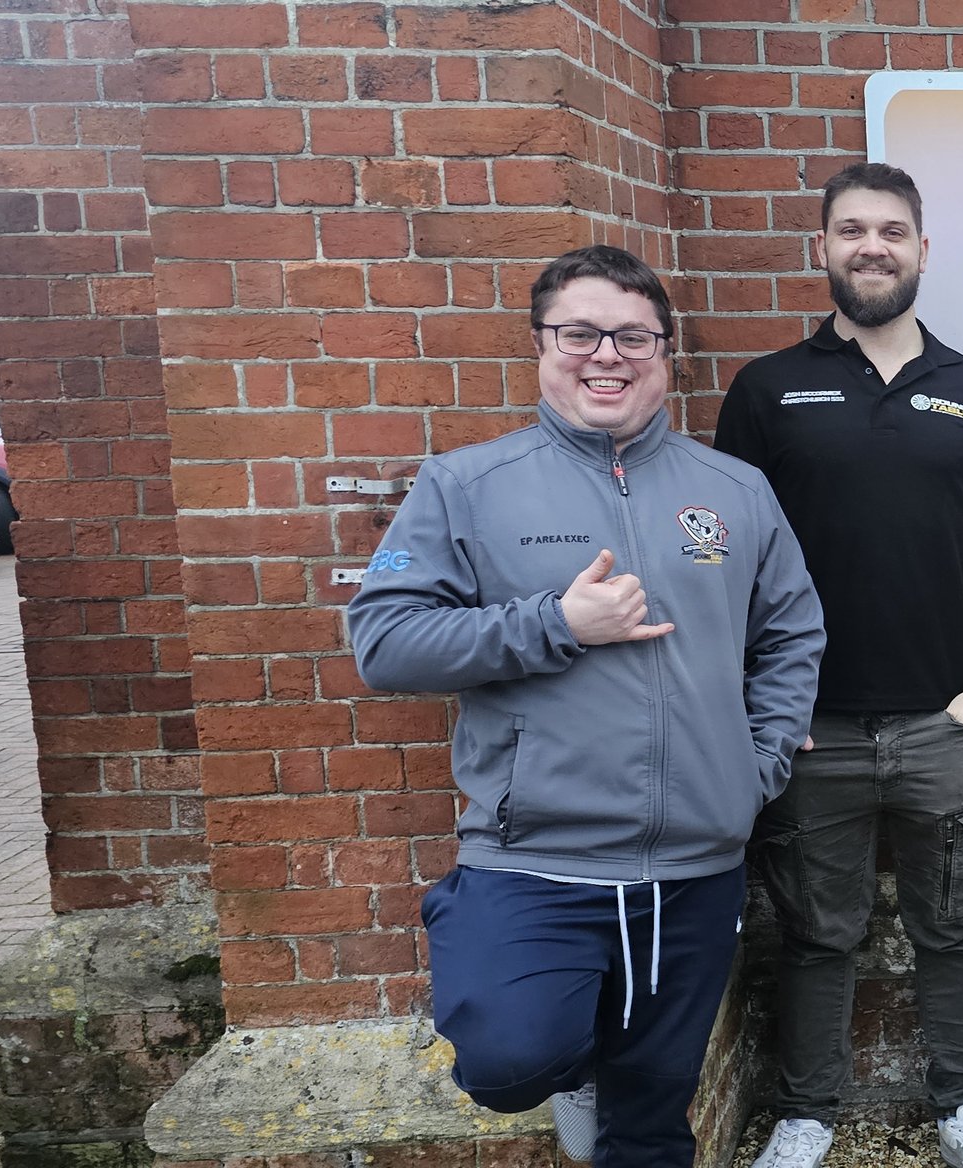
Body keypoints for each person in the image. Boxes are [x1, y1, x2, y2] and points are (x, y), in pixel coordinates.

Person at [347, 245, 827, 1167]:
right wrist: (556, 622)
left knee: (651, 1117)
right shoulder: (468, 485)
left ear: (666, 355)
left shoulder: (733, 491)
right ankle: (570, 1061)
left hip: (696, 867)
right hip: (536, 862)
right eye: (580, 333)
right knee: (512, 1059)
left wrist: (755, 763)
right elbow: (386, 643)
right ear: (540, 345)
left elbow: (792, 634)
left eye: (632, 337)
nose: (606, 355)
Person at [715, 162, 963, 1168]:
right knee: (819, 934)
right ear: (821, 247)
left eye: (891, 230)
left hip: (944, 724)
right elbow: (730, 563)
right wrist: (763, 706)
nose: (871, 246)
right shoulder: (767, 392)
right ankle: (809, 1113)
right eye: (851, 229)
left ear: (921, 250)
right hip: (812, 730)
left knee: (952, 928)